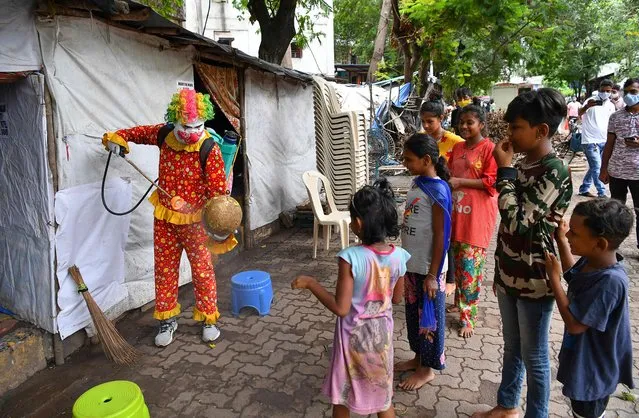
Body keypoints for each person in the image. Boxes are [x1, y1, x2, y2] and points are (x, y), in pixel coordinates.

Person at [472, 88, 573, 418]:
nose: (510, 134)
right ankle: (507, 405)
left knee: (536, 357)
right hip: (508, 272)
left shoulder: (554, 171)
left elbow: (516, 221)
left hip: (535, 277)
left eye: (516, 127)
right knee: (512, 347)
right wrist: (500, 273)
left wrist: (505, 172)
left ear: (541, 130)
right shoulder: (523, 164)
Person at [102, 89, 230, 346]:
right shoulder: (163, 134)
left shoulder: (209, 148)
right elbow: (134, 133)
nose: (191, 131)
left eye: (197, 125)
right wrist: (118, 139)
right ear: (174, 119)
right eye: (185, 125)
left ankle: (208, 319)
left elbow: (217, 194)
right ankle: (167, 321)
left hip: (196, 223)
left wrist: (220, 223)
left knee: (203, 271)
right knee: (164, 271)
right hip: (165, 221)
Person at [291, 179, 410, 418]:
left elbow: (341, 308)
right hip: (382, 339)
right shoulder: (400, 257)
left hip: (353, 340)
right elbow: (397, 299)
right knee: (382, 397)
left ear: (357, 223)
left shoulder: (350, 257)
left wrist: (311, 283)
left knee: (343, 397)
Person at [545, 198, 634, 418]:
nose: (568, 235)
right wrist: (562, 243)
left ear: (600, 243)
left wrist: (554, 278)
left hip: (594, 371)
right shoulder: (594, 260)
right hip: (583, 360)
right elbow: (573, 276)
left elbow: (575, 325)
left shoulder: (611, 282)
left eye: (574, 233)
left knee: (586, 413)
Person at [395, 133, 452, 390]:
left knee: (429, 319)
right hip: (412, 264)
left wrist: (432, 274)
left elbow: (442, 234)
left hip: (429, 268)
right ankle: (418, 358)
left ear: (426, 159)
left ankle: (427, 370)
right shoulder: (418, 182)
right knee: (413, 316)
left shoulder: (438, 190)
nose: (405, 163)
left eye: (409, 159)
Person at [447, 104, 498, 338]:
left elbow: (492, 183)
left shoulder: (490, 149)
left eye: (470, 122)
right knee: (458, 266)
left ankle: (468, 317)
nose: (465, 126)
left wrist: (460, 182)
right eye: (462, 122)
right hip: (456, 214)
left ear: (481, 124)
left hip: (476, 218)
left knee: (470, 269)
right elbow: (449, 174)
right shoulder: (457, 147)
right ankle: (460, 303)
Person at [599, 77, 639, 248]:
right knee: (616, 211)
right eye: (627, 91)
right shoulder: (615, 116)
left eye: (634, 92)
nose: (630, 95)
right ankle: (614, 246)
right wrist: (603, 168)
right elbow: (609, 144)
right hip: (617, 171)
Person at [577, 79, 616, 197]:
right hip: (590, 140)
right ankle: (601, 192)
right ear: (599, 90)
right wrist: (586, 107)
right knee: (597, 166)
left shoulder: (611, 105)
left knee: (594, 166)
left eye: (608, 91)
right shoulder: (590, 101)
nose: (605, 93)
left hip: (604, 140)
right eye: (602, 90)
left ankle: (584, 189)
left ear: (611, 91)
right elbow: (579, 113)